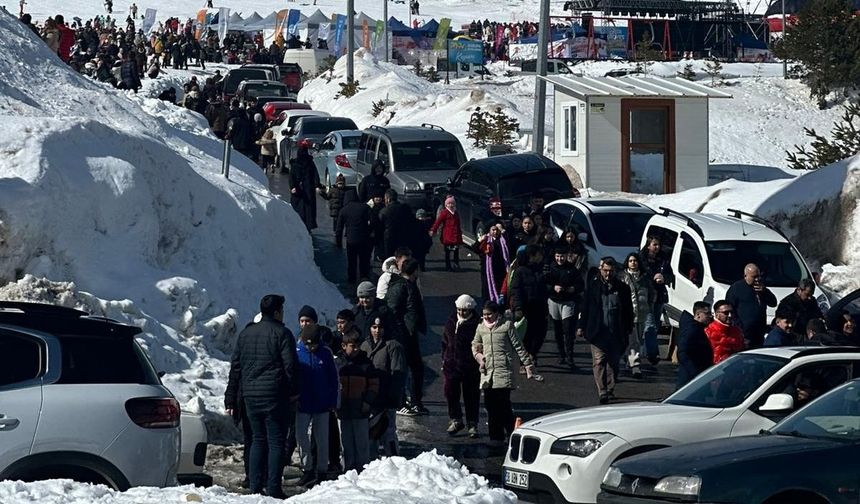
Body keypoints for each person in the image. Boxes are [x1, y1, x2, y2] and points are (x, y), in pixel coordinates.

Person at [224, 295, 297, 499]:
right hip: (274, 395)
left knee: (257, 439)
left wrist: (232, 395)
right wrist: (293, 391)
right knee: (276, 442)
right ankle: (273, 488)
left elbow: (236, 367)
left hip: (250, 396)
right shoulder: (282, 333)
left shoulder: (245, 334)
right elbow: (291, 367)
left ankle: (255, 485)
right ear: (277, 312)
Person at [472, 301, 535, 441]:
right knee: (490, 406)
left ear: (496, 313)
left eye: (489, 314)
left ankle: (513, 434)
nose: (486, 317)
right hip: (488, 373)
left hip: (504, 372)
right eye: (484, 315)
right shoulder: (481, 328)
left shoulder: (506, 326)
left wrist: (527, 364)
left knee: (503, 405)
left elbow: (518, 346)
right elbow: (475, 344)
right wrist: (478, 356)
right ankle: (496, 438)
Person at [581, 257, 633, 404]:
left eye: (611, 271)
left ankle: (610, 387)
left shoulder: (623, 288)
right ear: (600, 269)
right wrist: (581, 326)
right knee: (599, 361)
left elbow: (628, 310)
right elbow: (585, 307)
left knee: (614, 363)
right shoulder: (593, 286)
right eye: (605, 271)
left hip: (616, 332)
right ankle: (602, 391)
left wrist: (629, 327)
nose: (608, 274)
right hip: (598, 332)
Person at [295, 324, 339, 487]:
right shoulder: (297, 352)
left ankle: (321, 470)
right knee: (301, 436)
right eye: (308, 345)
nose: (311, 348)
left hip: (322, 403)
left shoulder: (325, 353)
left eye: (313, 345)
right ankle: (307, 468)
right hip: (303, 403)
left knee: (322, 439)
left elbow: (333, 379)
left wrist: (332, 401)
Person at [385, 258, 428, 416]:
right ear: (415, 270)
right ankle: (401, 402)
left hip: (409, 334)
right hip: (403, 335)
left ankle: (416, 402)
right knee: (402, 369)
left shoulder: (408, 285)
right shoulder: (400, 286)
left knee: (416, 368)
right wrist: (400, 330)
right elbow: (393, 310)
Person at [360, 316, 406, 457]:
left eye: (380, 328)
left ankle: (394, 459)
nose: (377, 331)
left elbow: (398, 374)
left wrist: (393, 397)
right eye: (374, 327)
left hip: (387, 398)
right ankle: (372, 462)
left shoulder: (393, 346)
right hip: (371, 398)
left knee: (388, 432)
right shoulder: (365, 346)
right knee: (372, 432)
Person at [335, 330, 378, 472]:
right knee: (346, 442)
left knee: (361, 443)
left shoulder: (366, 364)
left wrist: (368, 401)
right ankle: (347, 469)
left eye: (357, 346)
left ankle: (363, 469)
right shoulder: (338, 364)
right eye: (352, 346)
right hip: (343, 409)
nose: (356, 349)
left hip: (360, 408)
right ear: (344, 346)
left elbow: (374, 385)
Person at [442, 295, 481, 438]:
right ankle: (456, 419)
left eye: (464, 310)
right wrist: (444, 359)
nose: (461, 313)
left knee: (471, 395)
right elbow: (445, 341)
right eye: (459, 310)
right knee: (450, 393)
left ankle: (472, 423)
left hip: (470, 366)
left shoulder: (477, 324)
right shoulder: (451, 321)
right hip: (451, 365)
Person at [545, 245, 583, 370]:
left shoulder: (572, 269)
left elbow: (581, 284)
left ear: (566, 256)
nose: (560, 259)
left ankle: (570, 356)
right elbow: (544, 284)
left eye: (562, 256)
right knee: (557, 329)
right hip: (554, 301)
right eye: (557, 256)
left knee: (568, 329)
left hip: (568, 302)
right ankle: (561, 354)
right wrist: (553, 288)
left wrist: (574, 288)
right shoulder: (550, 268)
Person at [509, 244, 549, 364]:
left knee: (541, 332)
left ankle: (533, 353)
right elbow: (516, 290)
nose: (541, 257)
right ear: (532, 256)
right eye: (539, 254)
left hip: (541, 307)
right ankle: (525, 360)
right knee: (527, 334)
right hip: (527, 308)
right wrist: (518, 307)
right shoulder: (520, 271)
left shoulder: (542, 269)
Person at [620, 252, 655, 379]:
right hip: (628, 314)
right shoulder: (623, 277)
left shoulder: (645, 277)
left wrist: (649, 306)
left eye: (635, 260)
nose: (633, 263)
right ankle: (635, 366)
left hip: (642, 313)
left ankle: (628, 358)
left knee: (638, 340)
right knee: (633, 340)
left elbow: (651, 294)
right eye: (630, 261)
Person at [726, 263, 777, 349]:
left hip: (759, 333)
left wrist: (764, 291)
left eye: (759, 276)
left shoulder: (761, 287)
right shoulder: (736, 288)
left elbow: (773, 303)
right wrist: (740, 327)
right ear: (745, 276)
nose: (757, 279)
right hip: (744, 334)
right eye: (754, 277)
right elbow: (730, 308)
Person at [640, 235, 673, 365]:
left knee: (656, 325)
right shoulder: (641, 259)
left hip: (659, 295)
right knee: (650, 325)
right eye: (654, 245)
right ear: (648, 245)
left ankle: (646, 348)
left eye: (658, 245)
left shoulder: (663, 259)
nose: (657, 247)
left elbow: (670, 276)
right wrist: (651, 278)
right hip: (646, 296)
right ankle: (653, 354)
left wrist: (663, 277)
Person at [336, 189, 373, 284]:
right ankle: (364, 277)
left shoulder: (344, 210)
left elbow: (339, 228)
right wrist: (370, 232)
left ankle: (352, 279)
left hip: (351, 240)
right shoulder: (365, 207)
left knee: (352, 261)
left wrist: (338, 243)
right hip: (364, 238)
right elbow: (373, 221)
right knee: (364, 260)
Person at [675, 301, 714, 389]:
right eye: (707, 313)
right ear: (698, 315)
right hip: (690, 379)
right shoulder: (692, 329)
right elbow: (682, 352)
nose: (710, 316)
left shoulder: (698, 328)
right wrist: (695, 373)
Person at [289, 140, 321, 232]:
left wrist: (292, 187)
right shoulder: (309, 162)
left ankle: (302, 226)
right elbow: (315, 174)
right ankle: (306, 226)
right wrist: (316, 185)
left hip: (300, 189)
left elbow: (291, 177)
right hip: (307, 189)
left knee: (301, 208)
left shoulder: (296, 163)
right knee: (307, 209)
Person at [429, 195, 463, 272]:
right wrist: (433, 230)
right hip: (447, 237)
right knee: (448, 252)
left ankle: (456, 264)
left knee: (456, 251)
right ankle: (448, 266)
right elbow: (438, 222)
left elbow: (458, 224)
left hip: (456, 236)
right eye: (449, 204)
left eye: (452, 203)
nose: (451, 205)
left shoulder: (456, 213)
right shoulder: (444, 213)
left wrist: (460, 234)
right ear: (446, 205)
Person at [478, 223, 510, 304]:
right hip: (487, 271)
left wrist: (505, 234)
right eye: (493, 230)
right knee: (487, 291)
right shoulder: (486, 239)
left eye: (497, 230)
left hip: (501, 270)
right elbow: (476, 249)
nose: (495, 232)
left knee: (501, 289)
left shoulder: (504, 240)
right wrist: (480, 241)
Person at [379, 189, 413, 259]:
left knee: (390, 259)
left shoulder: (384, 211)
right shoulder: (405, 208)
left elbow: (379, 226)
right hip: (404, 237)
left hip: (389, 239)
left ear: (388, 199)